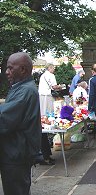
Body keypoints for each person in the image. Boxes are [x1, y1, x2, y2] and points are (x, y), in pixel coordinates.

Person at [0, 52, 41, 195]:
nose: (6, 72)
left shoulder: (25, 91)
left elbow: (4, 118)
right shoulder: (21, 87)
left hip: (16, 154)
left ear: (23, 69)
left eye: (10, 68)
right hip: (16, 152)